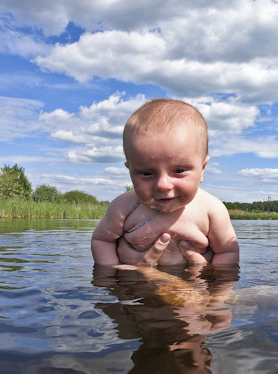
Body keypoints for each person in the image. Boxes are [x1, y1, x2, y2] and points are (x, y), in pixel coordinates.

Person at [91, 99, 239, 267]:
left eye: (179, 171)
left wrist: (218, 286)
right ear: (130, 170)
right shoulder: (123, 207)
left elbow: (227, 251)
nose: (163, 184)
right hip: (134, 288)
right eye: (147, 173)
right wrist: (112, 274)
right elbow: (102, 240)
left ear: (202, 169)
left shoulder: (212, 209)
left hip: (193, 287)